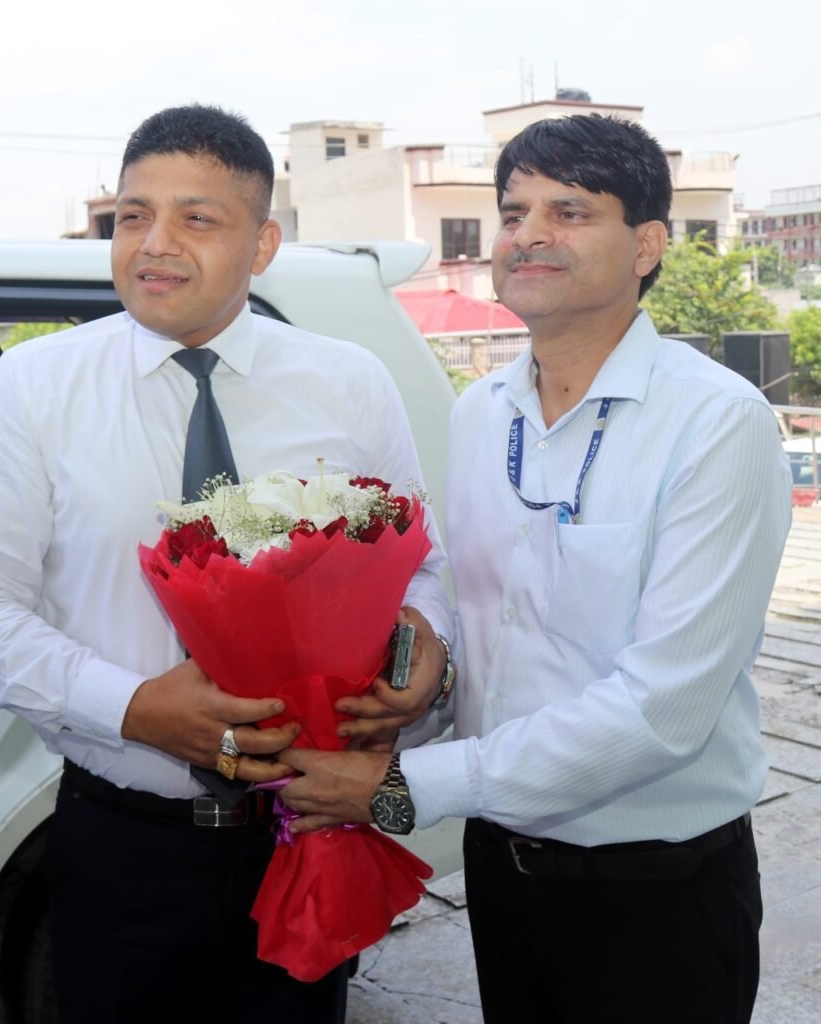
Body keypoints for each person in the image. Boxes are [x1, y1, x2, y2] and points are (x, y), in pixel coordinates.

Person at [0, 104, 451, 1024]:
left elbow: (418, 572)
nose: (155, 243)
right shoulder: (36, 387)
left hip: (307, 831)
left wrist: (424, 659)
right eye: (133, 215)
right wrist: (134, 708)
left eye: (196, 218)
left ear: (263, 245)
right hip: (119, 848)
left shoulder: (348, 382)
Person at [278, 113, 793, 1024]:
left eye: (570, 211)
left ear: (647, 245)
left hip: (657, 891)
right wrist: (420, 692)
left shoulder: (716, 421)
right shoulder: (482, 413)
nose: (528, 235)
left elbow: (663, 709)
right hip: (504, 871)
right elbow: (491, 626)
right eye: (513, 213)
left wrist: (404, 788)